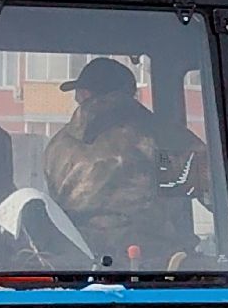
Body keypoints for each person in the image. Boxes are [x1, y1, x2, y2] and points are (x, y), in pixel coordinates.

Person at [43, 57, 205, 267]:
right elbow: (217, 193)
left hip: (80, 266)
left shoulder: (58, 147)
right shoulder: (162, 137)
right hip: (157, 270)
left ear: (84, 95)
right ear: (130, 94)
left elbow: (57, 212)